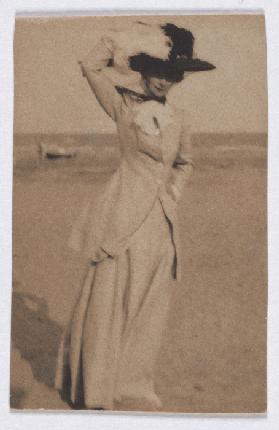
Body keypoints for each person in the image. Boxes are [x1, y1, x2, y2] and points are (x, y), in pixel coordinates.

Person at [55, 22, 215, 411]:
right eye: (159, 72)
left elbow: (184, 163)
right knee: (110, 301)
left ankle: (133, 383)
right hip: (121, 218)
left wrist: (170, 197)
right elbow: (91, 67)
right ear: (144, 69)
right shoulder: (122, 105)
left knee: (149, 306)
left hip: (160, 225)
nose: (165, 82)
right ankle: (96, 389)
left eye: (173, 75)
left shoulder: (180, 118)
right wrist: (121, 38)